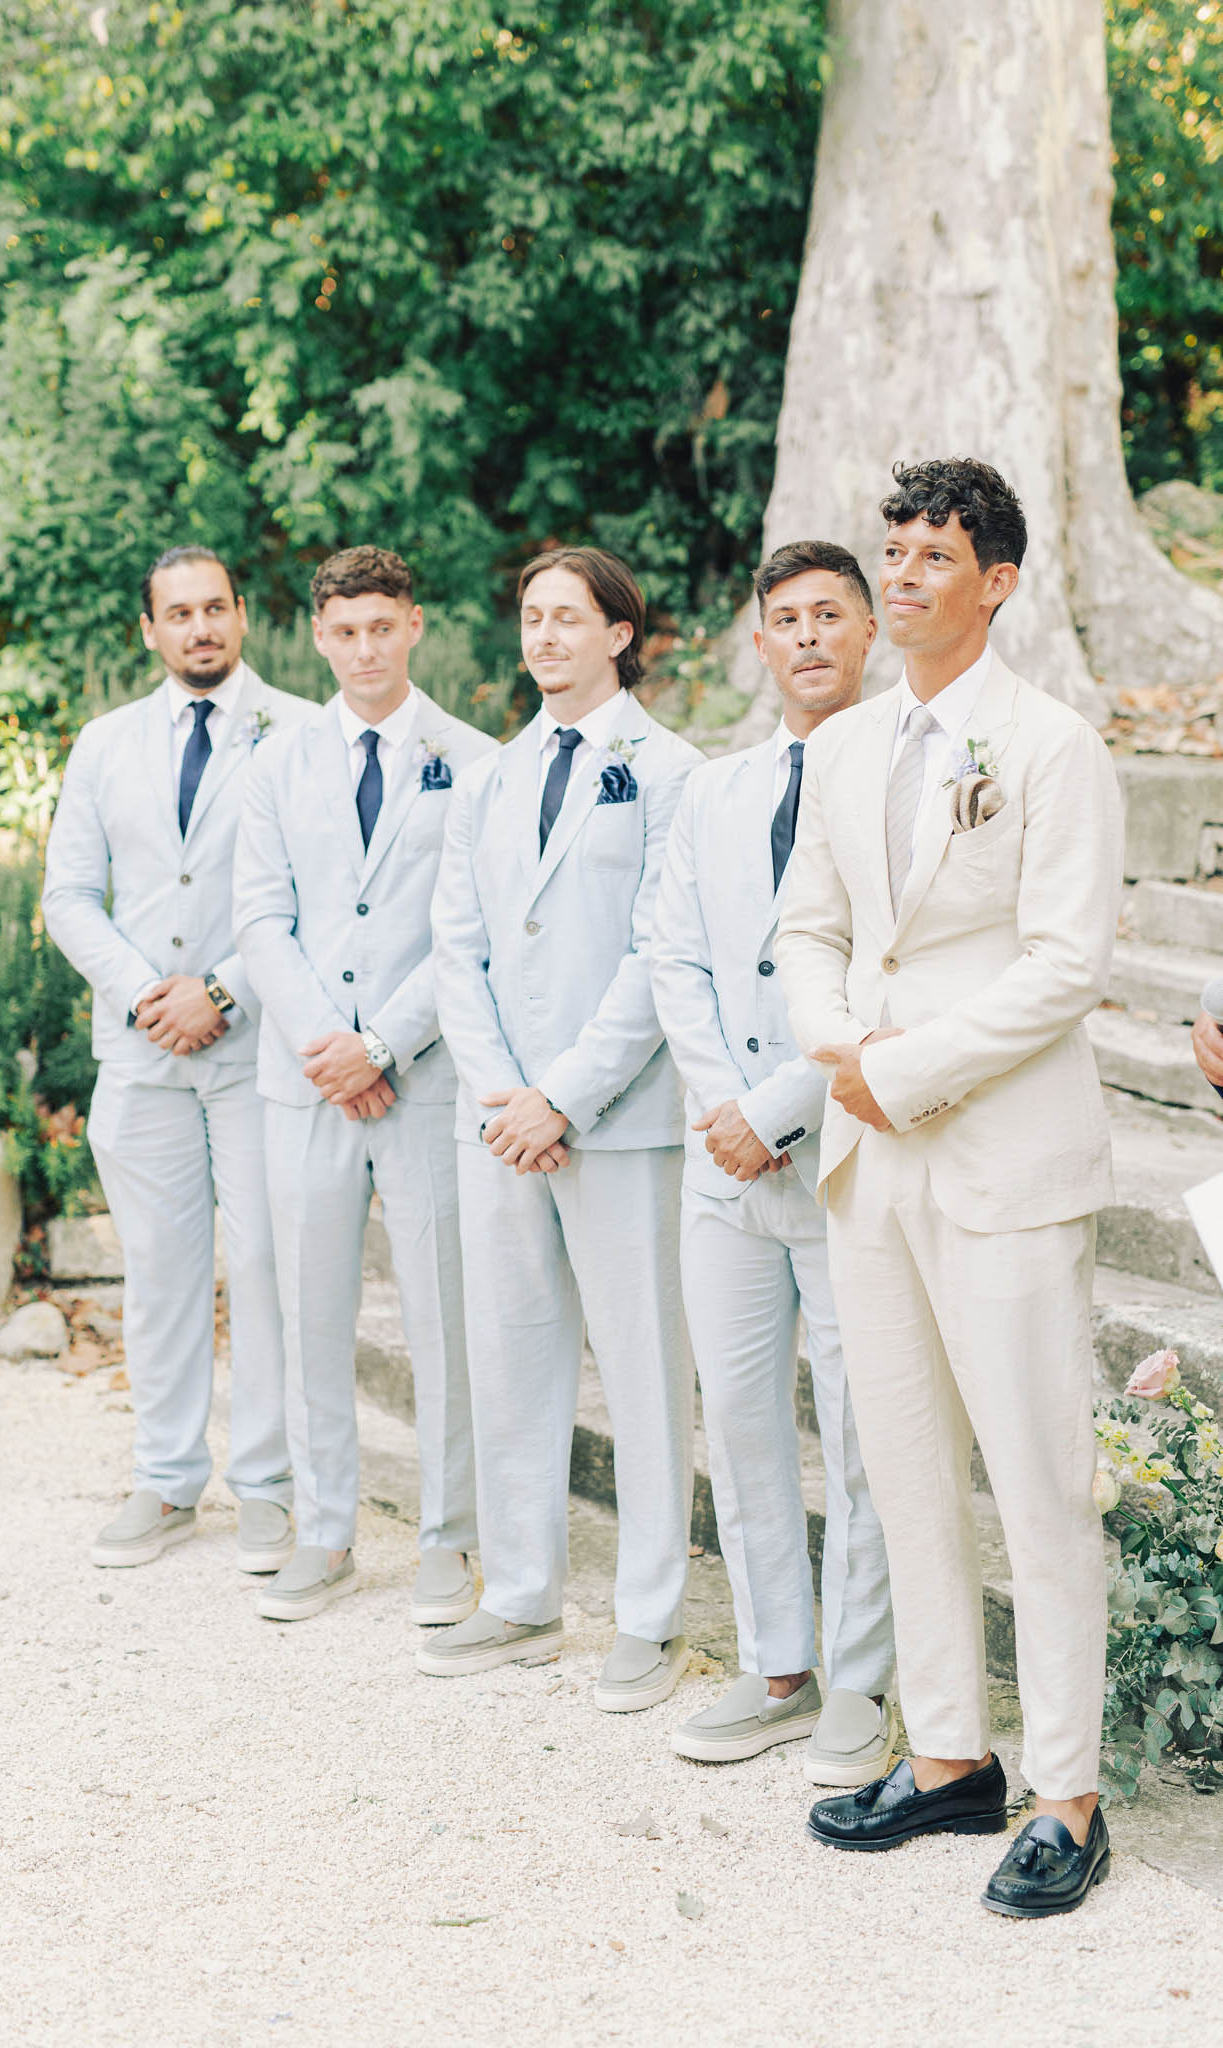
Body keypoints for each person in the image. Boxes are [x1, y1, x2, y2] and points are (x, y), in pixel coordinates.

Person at [775, 458, 1123, 1917]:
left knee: (1036, 1481)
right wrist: (835, 1051)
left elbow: (1063, 965)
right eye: (894, 551)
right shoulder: (846, 747)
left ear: (994, 583)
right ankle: (944, 1758)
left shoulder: (1050, 747)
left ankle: (1063, 1789)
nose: (903, 576)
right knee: (906, 1471)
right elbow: (805, 925)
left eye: (934, 557)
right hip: (867, 1155)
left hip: (996, 1154)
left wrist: (904, 1067)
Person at [420, 546, 701, 1711]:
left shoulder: (674, 771)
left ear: (619, 634)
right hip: (496, 1122)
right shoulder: (489, 774)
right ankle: (524, 1590)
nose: (543, 637)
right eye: (530, 616)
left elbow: (657, 950)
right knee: (512, 1352)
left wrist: (564, 1095)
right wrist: (501, 1092)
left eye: (567, 618)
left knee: (641, 1372)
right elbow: (456, 941)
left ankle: (650, 1615)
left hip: (618, 1118)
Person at [651, 540, 894, 1782]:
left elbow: (892, 977)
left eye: (827, 616)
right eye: (783, 619)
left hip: (850, 1143)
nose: (805, 636)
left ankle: (859, 1678)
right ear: (760, 643)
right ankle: (774, 1661)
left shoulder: (903, 770)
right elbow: (672, 952)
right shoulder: (716, 786)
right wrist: (726, 1108)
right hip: (722, 1159)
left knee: (862, 1426)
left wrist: (784, 1107)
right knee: (742, 1415)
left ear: (868, 631)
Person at [231, 547, 496, 1627]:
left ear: (413, 625)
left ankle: (449, 1537)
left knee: (440, 1312)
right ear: (318, 636)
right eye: (343, 632)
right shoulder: (278, 763)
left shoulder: (470, 758)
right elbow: (260, 920)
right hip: (305, 1084)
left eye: (381, 627)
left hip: (422, 1077)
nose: (363, 649)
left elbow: (466, 930)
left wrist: (382, 1042)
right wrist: (326, 1045)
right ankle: (325, 1530)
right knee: (309, 1309)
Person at [43, 545, 316, 1571]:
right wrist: (145, 993)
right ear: (146, 629)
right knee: (159, 1270)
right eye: (179, 613)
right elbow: (68, 893)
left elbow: (315, 892)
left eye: (216, 608)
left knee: (263, 1263)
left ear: (243, 617)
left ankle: (266, 1487)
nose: (200, 627)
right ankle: (163, 1480)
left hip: (258, 1046)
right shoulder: (104, 743)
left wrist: (224, 986)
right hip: (142, 1045)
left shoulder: (298, 732)